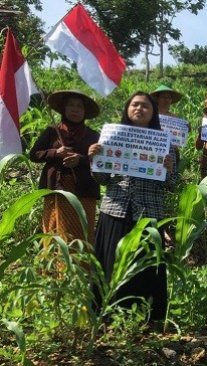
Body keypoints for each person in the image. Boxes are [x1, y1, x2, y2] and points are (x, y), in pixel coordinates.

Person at [88, 91, 177, 321]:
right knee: (111, 265)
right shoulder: (112, 138)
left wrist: (168, 168)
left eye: (145, 106)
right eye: (135, 105)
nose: (139, 109)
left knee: (145, 267)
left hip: (148, 214)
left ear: (153, 113)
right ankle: (107, 317)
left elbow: (172, 185)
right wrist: (95, 159)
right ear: (127, 110)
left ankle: (143, 319)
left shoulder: (165, 144)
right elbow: (102, 179)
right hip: (116, 209)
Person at [30, 90, 101, 243]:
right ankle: (54, 266)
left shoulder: (94, 136)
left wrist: (81, 160)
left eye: (79, 107)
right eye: (71, 105)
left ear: (85, 112)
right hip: (56, 188)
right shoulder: (52, 132)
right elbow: (34, 154)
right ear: (64, 109)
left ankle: (81, 266)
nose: (75, 109)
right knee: (55, 232)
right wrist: (55, 152)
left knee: (81, 233)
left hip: (84, 190)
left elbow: (102, 162)